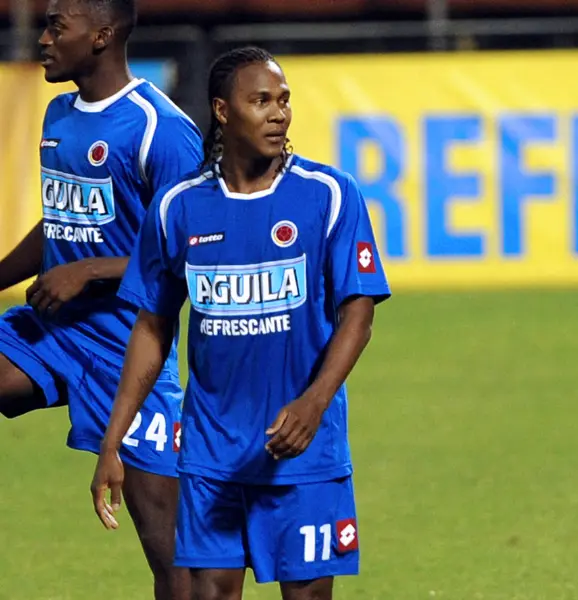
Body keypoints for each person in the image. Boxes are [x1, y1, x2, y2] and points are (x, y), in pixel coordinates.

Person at [90, 45, 390, 600]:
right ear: (223, 111)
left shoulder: (328, 194)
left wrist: (314, 403)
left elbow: (359, 312)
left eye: (284, 101)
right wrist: (113, 441)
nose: (279, 114)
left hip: (304, 451)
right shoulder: (178, 207)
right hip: (211, 452)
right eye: (261, 101)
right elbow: (152, 327)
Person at [0, 0, 200, 597]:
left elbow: (196, 250)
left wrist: (90, 271)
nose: (43, 39)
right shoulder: (59, 113)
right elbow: (61, 220)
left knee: (174, 565)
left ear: (101, 36)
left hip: (130, 351)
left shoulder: (160, 129)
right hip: (54, 331)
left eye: (57, 26)